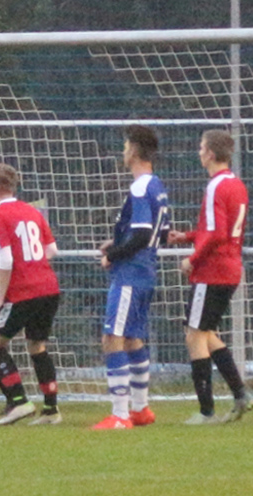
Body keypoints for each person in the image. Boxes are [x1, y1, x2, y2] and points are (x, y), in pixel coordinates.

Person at [168, 129, 253, 425]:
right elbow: (221, 230)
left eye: (201, 147)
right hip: (230, 268)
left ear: (211, 154)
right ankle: (241, 394)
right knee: (206, 333)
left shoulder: (216, 186)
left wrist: (192, 258)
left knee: (193, 335)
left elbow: (217, 234)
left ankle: (207, 412)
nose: (199, 152)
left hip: (213, 270)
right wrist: (187, 237)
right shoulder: (236, 185)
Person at [92, 126, 171, 430]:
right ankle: (140, 410)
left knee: (112, 338)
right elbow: (159, 234)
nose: (123, 151)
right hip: (147, 272)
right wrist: (117, 243)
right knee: (132, 337)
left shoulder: (139, 187)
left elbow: (140, 235)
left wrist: (113, 256)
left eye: (126, 146)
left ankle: (120, 415)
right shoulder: (157, 186)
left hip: (130, 274)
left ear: (135, 151)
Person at [0, 163, 61, 425]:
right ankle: (51, 410)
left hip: (23, 292)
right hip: (49, 287)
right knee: (37, 345)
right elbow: (52, 250)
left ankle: (19, 402)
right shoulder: (31, 210)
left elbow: (5, 259)